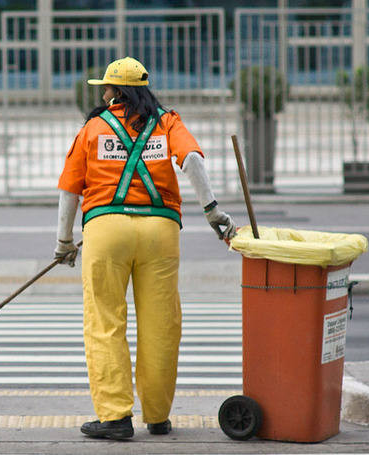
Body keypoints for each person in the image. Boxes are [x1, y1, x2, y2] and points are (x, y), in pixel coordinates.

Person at [55, 57, 236, 439]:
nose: (102, 93)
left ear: (114, 91)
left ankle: (115, 418)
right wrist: (212, 210)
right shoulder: (168, 121)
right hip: (160, 230)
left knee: (105, 323)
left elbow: (70, 188)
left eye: (105, 87)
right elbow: (191, 161)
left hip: (106, 231)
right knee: (160, 325)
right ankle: (157, 415)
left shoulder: (92, 127)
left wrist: (64, 242)